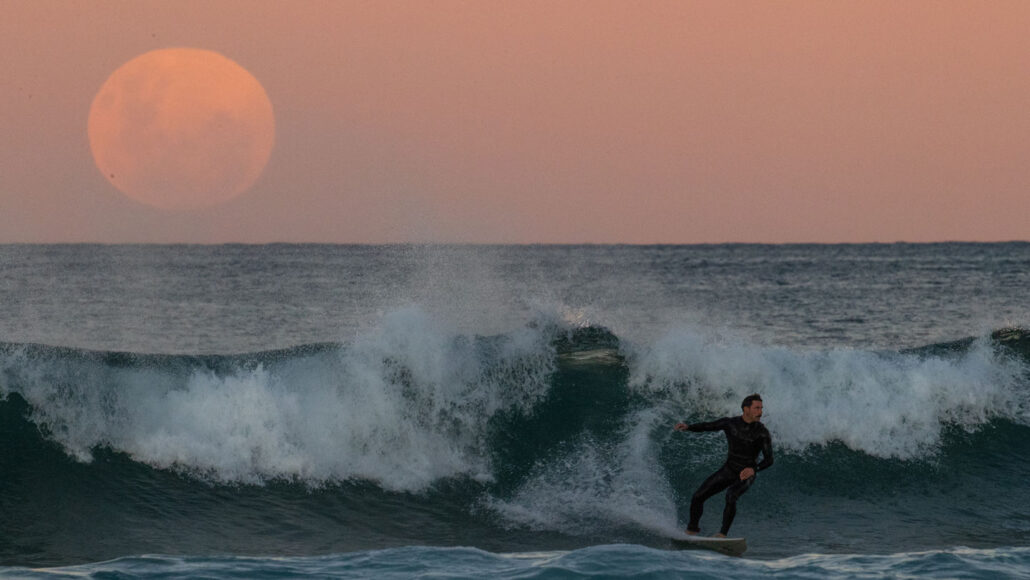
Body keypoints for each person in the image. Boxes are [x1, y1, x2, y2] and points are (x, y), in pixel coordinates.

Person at [674, 394, 773, 537]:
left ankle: (722, 534)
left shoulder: (762, 433)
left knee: (731, 495)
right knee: (697, 497)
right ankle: (692, 529)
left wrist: (753, 469)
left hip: (746, 473)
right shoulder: (730, 423)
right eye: (757, 408)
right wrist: (689, 427)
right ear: (746, 409)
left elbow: (769, 460)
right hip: (729, 469)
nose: (760, 412)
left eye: (761, 408)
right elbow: (709, 426)